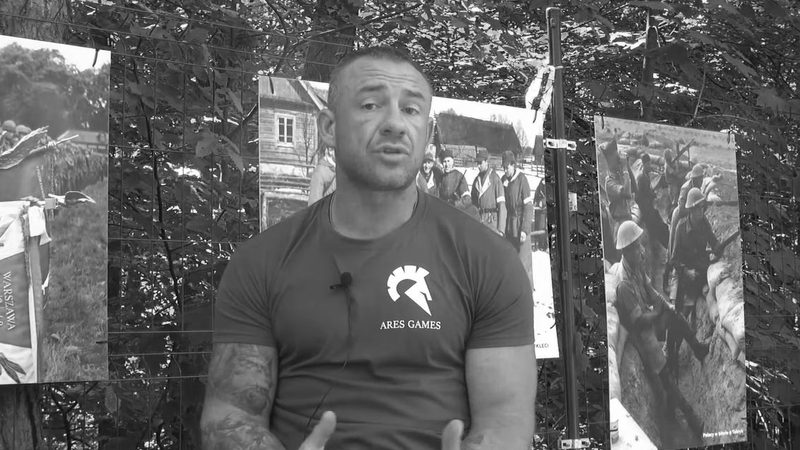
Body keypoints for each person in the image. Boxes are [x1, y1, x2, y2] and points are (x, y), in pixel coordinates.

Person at [201, 46, 537, 450]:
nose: (395, 123)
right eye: (371, 105)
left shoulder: (488, 260)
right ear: (329, 127)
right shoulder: (261, 262)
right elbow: (231, 416)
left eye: (411, 110)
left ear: (427, 133)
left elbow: (505, 423)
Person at [612, 220, 708, 442]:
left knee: (676, 317)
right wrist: (657, 311)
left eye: (640, 244)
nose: (641, 249)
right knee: (664, 373)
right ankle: (689, 417)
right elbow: (639, 321)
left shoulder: (636, 264)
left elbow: (650, 289)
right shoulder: (624, 284)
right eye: (636, 246)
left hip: (649, 317)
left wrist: (665, 305)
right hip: (640, 333)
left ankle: (697, 349)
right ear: (626, 251)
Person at [667, 187, 722, 321]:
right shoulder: (681, 228)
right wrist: (686, 271)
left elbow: (713, 241)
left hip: (700, 270)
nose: (701, 211)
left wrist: (717, 249)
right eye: (697, 208)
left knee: (699, 296)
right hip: (684, 273)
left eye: (702, 207)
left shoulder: (704, 223)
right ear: (691, 210)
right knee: (678, 308)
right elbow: (674, 259)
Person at [500, 150, 534, 288]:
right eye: (503, 167)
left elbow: (528, 206)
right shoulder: (503, 180)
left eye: (507, 167)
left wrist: (525, 229)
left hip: (520, 225)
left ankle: (527, 291)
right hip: (510, 226)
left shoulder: (522, 180)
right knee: (511, 261)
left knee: (523, 263)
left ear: (513, 165)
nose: (505, 170)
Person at [635, 152, 668, 248]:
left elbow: (648, 191)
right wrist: (652, 196)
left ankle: (668, 244)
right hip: (645, 208)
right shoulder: (640, 178)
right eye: (648, 164)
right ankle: (665, 245)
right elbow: (639, 196)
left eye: (650, 163)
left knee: (662, 223)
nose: (649, 166)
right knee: (657, 226)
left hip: (649, 206)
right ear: (644, 164)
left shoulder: (646, 175)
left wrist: (652, 195)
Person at [470, 149, 506, 235]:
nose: (478, 166)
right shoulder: (476, 181)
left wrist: (501, 229)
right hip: (479, 220)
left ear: (486, 162)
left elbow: (502, 205)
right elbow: (473, 204)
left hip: (492, 221)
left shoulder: (495, 179)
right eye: (477, 163)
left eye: (480, 163)